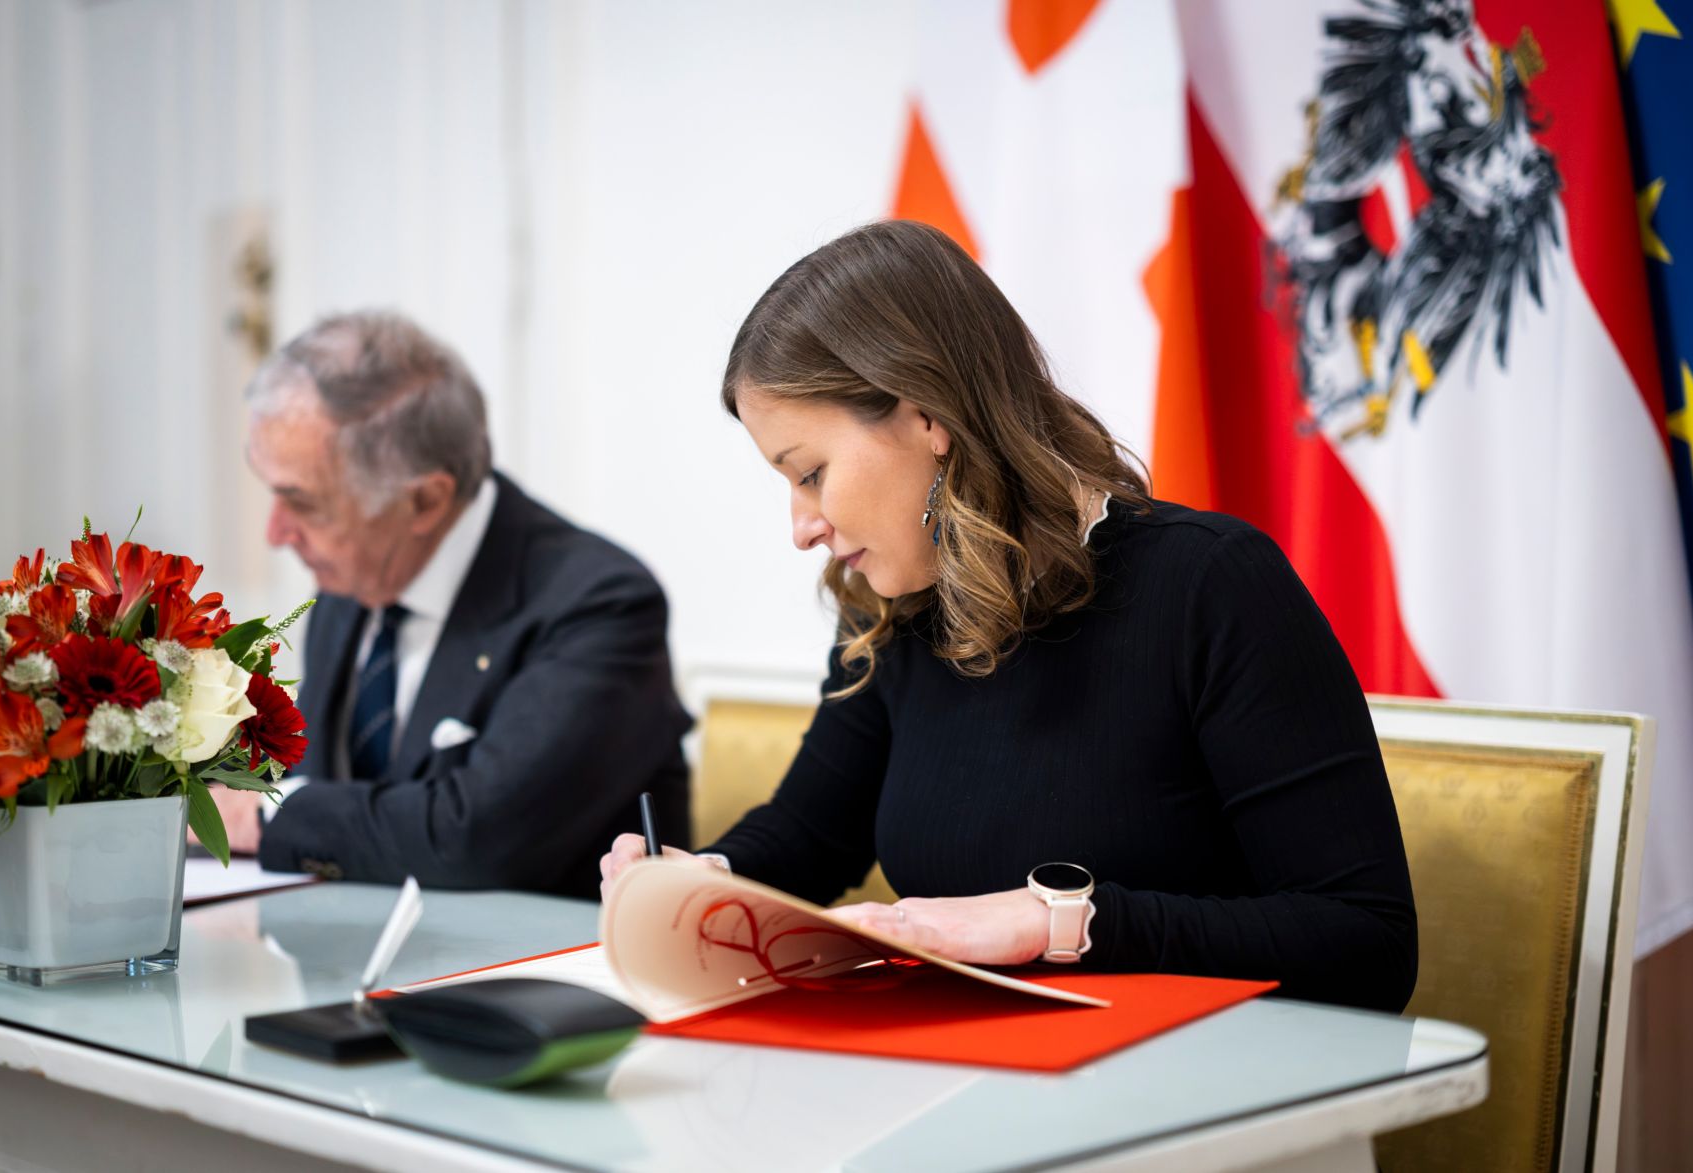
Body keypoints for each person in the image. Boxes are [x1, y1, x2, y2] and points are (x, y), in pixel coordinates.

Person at [599, 221, 1416, 1012]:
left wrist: (1058, 921)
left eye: (810, 472)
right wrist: (694, 883)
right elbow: (811, 835)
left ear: (926, 415)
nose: (801, 526)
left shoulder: (1212, 583)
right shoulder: (893, 611)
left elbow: (1366, 943)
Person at [232, 310, 691, 895]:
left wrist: (262, 815)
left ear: (425, 501)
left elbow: (475, 838)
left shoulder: (599, 603)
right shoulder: (354, 576)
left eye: (304, 502)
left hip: (535, 973)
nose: (276, 532)